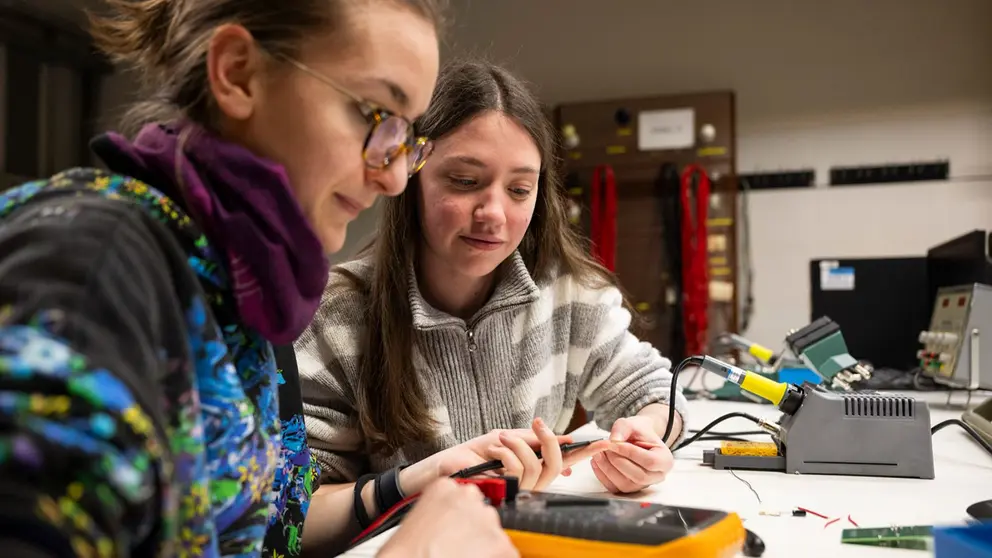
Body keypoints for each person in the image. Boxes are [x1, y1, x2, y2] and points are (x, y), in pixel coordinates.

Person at [0, 1, 520, 557]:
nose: (393, 177)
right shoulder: (91, 269)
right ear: (238, 73)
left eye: (405, 137)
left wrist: (411, 482)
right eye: (375, 115)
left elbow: (269, 534)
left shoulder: (245, 286)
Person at [296, 59, 690, 520]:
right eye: (465, 182)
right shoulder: (338, 316)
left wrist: (646, 438)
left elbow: (656, 392)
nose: (494, 214)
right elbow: (293, 511)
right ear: (411, 179)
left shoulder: (569, 293)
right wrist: (414, 484)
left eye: (519, 190)